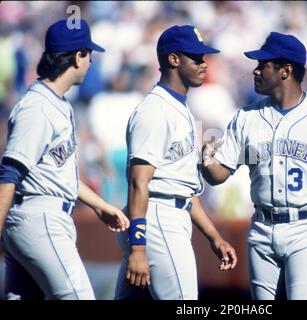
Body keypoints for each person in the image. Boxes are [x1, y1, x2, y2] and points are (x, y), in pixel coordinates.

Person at [201, 31, 307, 300]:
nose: (255, 71)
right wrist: (207, 162)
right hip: (261, 227)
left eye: (263, 65)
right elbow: (219, 175)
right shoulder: (246, 117)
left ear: (285, 70)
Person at [0, 19, 129, 300]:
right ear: (77, 55)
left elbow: (59, 175)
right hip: (39, 219)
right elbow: (9, 173)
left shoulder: (58, 103)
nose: (91, 62)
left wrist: (100, 206)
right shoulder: (37, 107)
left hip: (42, 217)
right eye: (88, 55)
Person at [114, 25, 237, 300]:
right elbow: (138, 182)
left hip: (168, 215)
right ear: (173, 59)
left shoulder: (179, 108)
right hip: (157, 221)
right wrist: (138, 248)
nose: (204, 64)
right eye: (196, 58)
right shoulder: (155, 110)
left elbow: (184, 190)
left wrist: (214, 237)